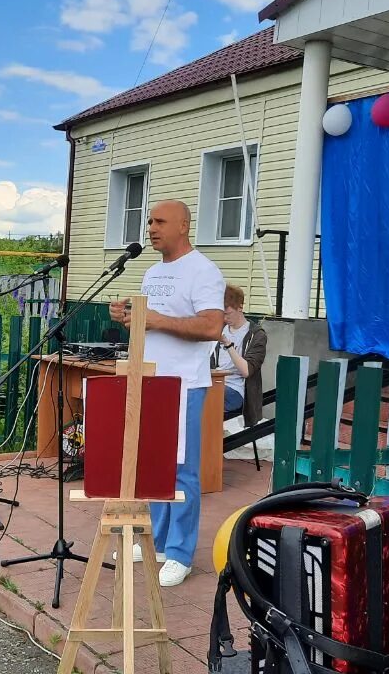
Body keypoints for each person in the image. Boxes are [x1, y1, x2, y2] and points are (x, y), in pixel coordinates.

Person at [109, 199, 225, 587]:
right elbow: (149, 327)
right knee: (154, 464)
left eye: (159, 221)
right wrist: (129, 318)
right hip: (150, 379)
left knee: (183, 469)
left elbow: (211, 327)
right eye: (148, 221)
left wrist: (157, 319)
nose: (151, 228)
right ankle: (156, 541)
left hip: (185, 383)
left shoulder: (203, 271)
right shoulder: (153, 272)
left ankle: (180, 552)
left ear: (183, 226)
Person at [212, 284, 267, 426]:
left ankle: (209, 442)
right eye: (221, 314)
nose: (224, 318)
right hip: (215, 383)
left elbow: (246, 371)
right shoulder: (219, 328)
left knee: (204, 396)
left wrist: (228, 344)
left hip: (237, 390)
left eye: (227, 313)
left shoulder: (256, 334)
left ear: (240, 307)